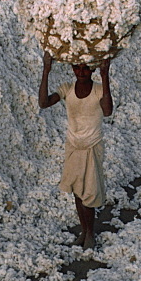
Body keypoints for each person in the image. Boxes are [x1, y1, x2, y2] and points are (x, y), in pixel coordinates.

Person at [39, 50, 113, 250]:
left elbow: (107, 111)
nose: (81, 72)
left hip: (91, 146)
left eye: (86, 68)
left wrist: (105, 76)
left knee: (88, 192)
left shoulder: (98, 90)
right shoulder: (67, 89)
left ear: (93, 69)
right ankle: (84, 231)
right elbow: (43, 103)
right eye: (77, 67)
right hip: (73, 146)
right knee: (77, 192)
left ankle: (90, 234)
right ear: (72, 68)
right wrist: (46, 70)